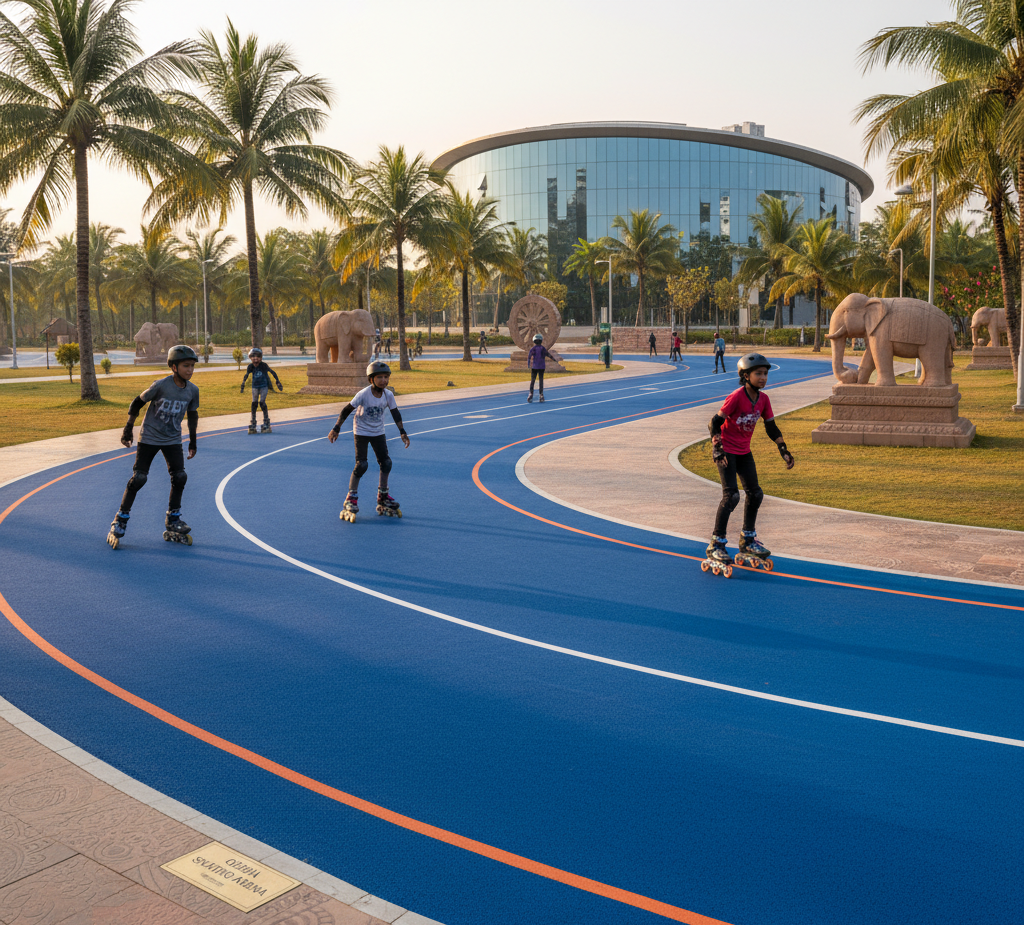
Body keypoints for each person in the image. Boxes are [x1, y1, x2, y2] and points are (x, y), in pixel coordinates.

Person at [705, 353, 795, 568]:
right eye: (758, 374)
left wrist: (783, 449)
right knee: (732, 496)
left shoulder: (763, 399)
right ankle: (716, 544)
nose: (763, 378)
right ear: (746, 376)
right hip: (726, 451)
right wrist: (717, 448)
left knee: (755, 493)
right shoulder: (737, 396)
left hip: (744, 452)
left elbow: (771, 427)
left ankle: (747, 539)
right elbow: (714, 423)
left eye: (765, 374)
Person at [107, 345, 200, 548]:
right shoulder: (160, 385)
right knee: (139, 478)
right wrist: (127, 429)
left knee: (180, 476)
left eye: (192, 366)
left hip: (173, 439)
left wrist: (193, 441)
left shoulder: (193, 390)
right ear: (174, 367)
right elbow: (136, 403)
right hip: (149, 437)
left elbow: (192, 415)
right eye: (186, 366)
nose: (190, 370)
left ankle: (173, 520)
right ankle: (120, 520)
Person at [328, 360, 411, 521]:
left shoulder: (388, 395)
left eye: (386, 377)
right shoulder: (363, 394)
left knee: (386, 462)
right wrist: (336, 428)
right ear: (371, 379)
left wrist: (402, 432)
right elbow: (346, 410)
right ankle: (350, 498)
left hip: (378, 432)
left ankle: (383, 496)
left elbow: (395, 413)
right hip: (361, 431)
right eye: (380, 377)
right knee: (362, 465)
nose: (384, 381)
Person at [240, 347, 283, 433]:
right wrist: (243, 384)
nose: (255, 359)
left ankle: (266, 421)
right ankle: (253, 422)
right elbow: (246, 375)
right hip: (255, 387)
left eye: (257, 356)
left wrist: (277, 381)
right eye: (253, 356)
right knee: (254, 403)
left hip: (263, 386)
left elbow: (272, 372)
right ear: (250, 357)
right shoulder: (250, 366)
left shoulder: (263, 365)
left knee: (262, 403)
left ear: (260, 358)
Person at [527, 333, 552, 403]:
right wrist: (554, 359)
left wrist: (528, 365)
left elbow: (529, 357)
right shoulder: (543, 348)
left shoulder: (533, 349)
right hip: (541, 367)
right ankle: (541, 395)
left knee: (533, 381)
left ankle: (531, 393)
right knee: (541, 381)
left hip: (534, 367)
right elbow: (548, 354)